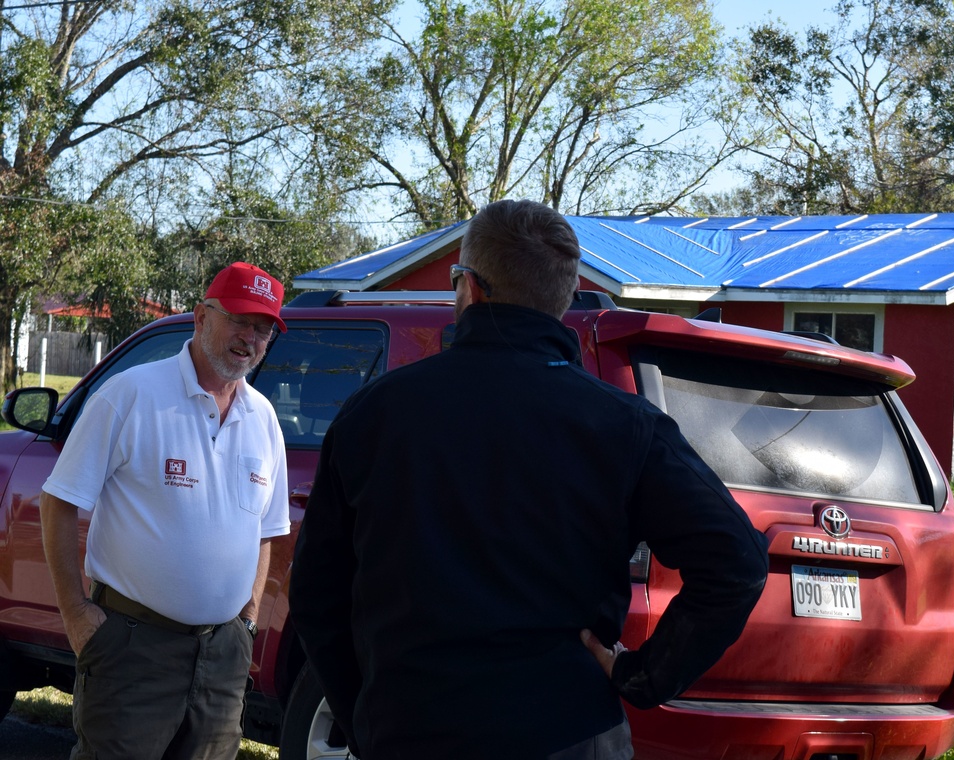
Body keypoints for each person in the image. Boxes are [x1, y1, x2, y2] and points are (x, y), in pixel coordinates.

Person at [289, 200, 769, 759]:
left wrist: (364, 715)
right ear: (562, 299)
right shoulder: (626, 426)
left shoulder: (375, 412)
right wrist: (644, 675)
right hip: (567, 732)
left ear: (468, 286)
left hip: (412, 729)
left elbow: (317, 593)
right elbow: (738, 563)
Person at [39, 261, 291, 760]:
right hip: (133, 650)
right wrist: (76, 616)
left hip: (221, 659)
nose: (250, 338)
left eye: (263, 330)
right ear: (201, 317)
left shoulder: (263, 418)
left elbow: (265, 531)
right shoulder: (131, 394)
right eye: (240, 320)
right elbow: (58, 501)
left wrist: (246, 622)